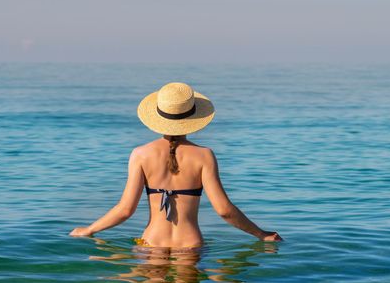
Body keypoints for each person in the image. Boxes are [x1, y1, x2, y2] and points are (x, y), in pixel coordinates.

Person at [69, 82, 282, 248]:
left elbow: (125, 210)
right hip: (190, 246)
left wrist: (89, 229)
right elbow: (224, 211)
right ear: (192, 117)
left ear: (158, 116)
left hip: (151, 244)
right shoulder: (204, 156)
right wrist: (261, 234)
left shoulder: (140, 154)